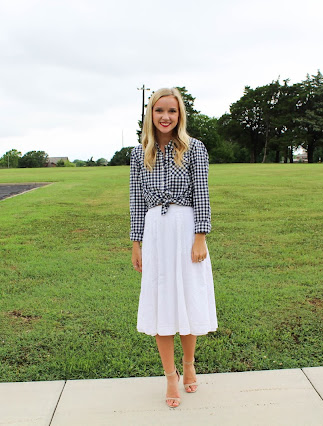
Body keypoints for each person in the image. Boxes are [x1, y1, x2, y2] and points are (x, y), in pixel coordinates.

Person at [130, 87, 218, 408]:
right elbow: (136, 201)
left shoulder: (194, 148)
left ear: (179, 114)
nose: (165, 117)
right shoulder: (139, 153)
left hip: (185, 229)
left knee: (188, 298)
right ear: (150, 114)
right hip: (155, 232)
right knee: (161, 302)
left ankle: (189, 363)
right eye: (159, 110)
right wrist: (136, 243)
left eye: (172, 111)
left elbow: (202, 193)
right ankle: (170, 376)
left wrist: (200, 237)